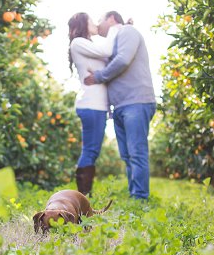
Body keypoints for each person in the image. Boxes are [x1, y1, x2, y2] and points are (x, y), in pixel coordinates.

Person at [84, 11, 157, 200]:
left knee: (136, 152)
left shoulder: (127, 32)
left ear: (111, 19)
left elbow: (123, 60)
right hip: (121, 106)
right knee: (126, 155)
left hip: (136, 101)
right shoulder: (113, 41)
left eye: (100, 20)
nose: (98, 24)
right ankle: (135, 193)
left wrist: (98, 76)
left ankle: (140, 197)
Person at [67, 11, 117, 196]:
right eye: (91, 20)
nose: (95, 22)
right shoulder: (78, 42)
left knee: (92, 150)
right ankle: (83, 195)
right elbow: (107, 51)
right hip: (91, 104)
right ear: (83, 24)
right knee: (90, 149)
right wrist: (114, 29)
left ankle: (84, 194)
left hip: (97, 106)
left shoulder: (88, 45)